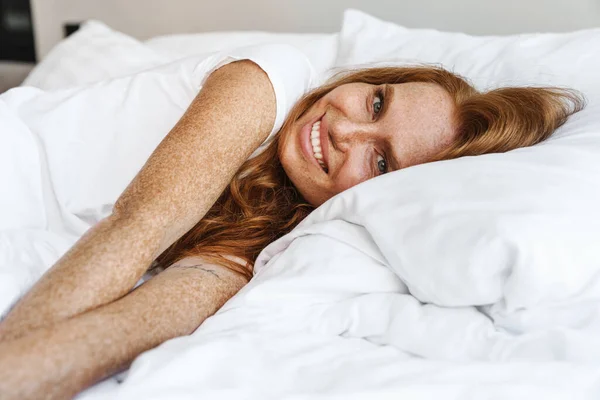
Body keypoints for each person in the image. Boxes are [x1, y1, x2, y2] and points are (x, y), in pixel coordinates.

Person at [0, 43, 584, 399]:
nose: (344, 131)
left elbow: (136, 324)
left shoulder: (282, 236)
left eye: (379, 161)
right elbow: (140, 223)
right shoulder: (270, 80)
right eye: (376, 102)